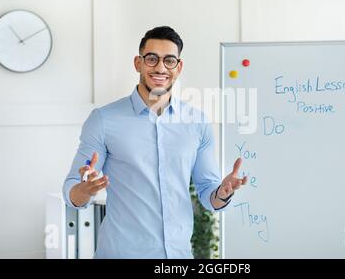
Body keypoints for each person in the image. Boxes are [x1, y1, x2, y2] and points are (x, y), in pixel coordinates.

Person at [62, 26, 247, 258]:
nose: (160, 67)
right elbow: (71, 190)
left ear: (178, 67)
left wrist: (222, 192)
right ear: (138, 63)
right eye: (152, 59)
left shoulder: (197, 122)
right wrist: (85, 189)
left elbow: (208, 195)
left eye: (169, 60)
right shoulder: (103, 120)